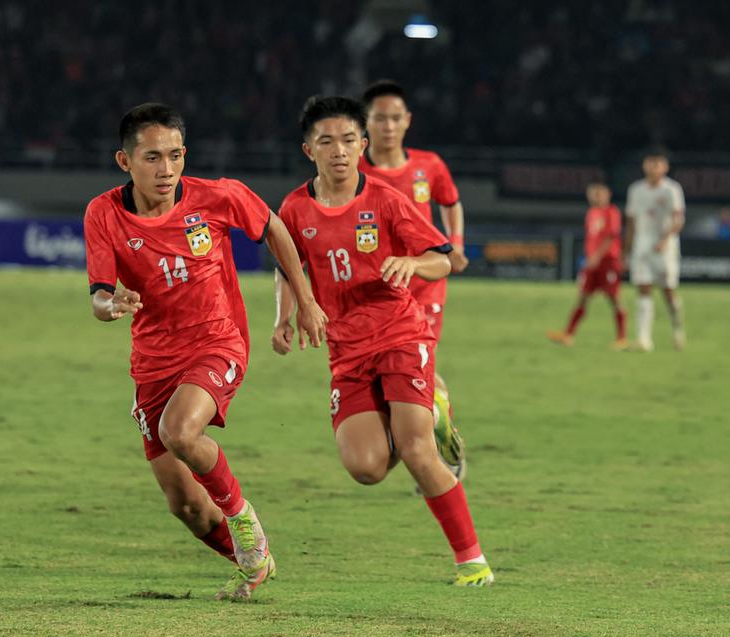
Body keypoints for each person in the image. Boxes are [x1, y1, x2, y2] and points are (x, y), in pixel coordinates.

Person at [84, 103, 326, 600]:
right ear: (124, 162)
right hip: (152, 361)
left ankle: (245, 525)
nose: (167, 169)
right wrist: (112, 305)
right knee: (186, 506)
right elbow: (99, 296)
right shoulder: (104, 213)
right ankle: (253, 562)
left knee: (179, 430)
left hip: (217, 342)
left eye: (175, 155)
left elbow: (275, 228)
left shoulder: (219, 196)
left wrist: (305, 300)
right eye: (152, 157)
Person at [272, 96, 493, 586]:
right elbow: (289, 268)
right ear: (309, 150)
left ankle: (472, 562)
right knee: (366, 468)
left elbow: (442, 257)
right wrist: (284, 318)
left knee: (417, 451)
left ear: (363, 145)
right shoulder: (294, 207)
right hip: (344, 348)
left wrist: (414, 263)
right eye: (326, 142)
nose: (339, 151)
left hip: (399, 332)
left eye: (349, 141)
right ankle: (427, 410)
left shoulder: (387, 201)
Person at [357, 79, 467, 476]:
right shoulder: (353, 171)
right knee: (390, 374)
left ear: (408, 121)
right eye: (379, 118)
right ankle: (435, 421)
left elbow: (451, 203)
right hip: (376, 291)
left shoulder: (429, 166)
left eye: (395, 118)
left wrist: (455, 244)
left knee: (417, 367)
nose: (388, 126)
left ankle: (433, 461)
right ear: (365, 123)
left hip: (425, 283)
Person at [547, 182, 627, 348]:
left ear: (608, 194)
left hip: (607, 260)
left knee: (614, 298)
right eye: (592, 193)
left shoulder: (612, 212)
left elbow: (611, 236)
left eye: (599, 193)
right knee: (582, 297)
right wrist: (590, 257)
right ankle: (568, 335)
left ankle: (621, 338)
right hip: (592, 262)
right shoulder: (591, 213)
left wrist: (597, 256)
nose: (595, 196)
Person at [624, 151, 686, 351]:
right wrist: (627, 250)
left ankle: (677, 329)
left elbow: (678, 219)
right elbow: (631, 222)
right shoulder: (636, 190)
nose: (653, 167)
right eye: (650, 163)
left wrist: (665, 240)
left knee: (668, 291)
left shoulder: (671, 189)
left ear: (665, 167)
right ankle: (644, 339)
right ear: (644, 165)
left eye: (657, 164)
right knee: (643, 288)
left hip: (664, 246)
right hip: (642, 245)